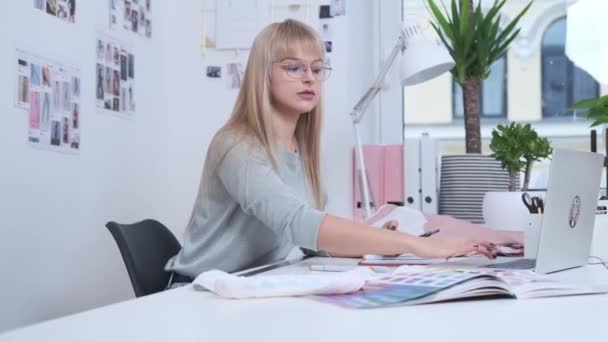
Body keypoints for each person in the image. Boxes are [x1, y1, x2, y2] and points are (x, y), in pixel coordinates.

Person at [165, 19, 496, 288]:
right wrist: (422, 246)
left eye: (317, 68)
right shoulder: (237, 146)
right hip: (199, 291)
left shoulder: (299, 149)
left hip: (250, 286)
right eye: (293, 67)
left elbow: (312, 240)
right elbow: (297, 222)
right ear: (262, 75)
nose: (309, 77)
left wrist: (376, 239)